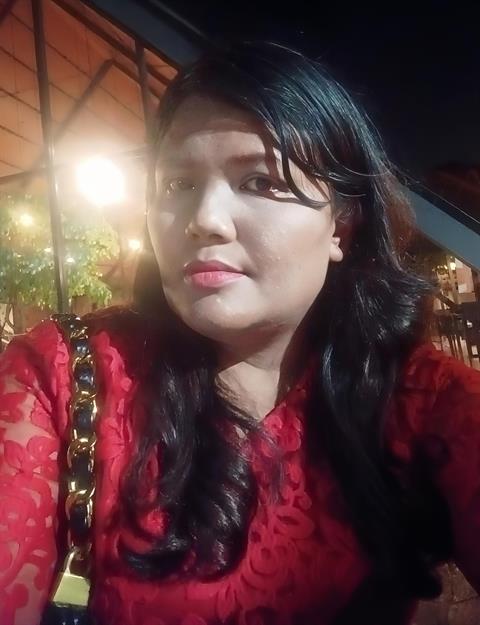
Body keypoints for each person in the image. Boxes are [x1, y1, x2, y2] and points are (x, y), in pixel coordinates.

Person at [1, 40, 479, 625]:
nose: (204, 220)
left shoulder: (423, 402)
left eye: (259, 182)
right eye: (177, 185)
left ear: (342, 227)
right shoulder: (63, 374)